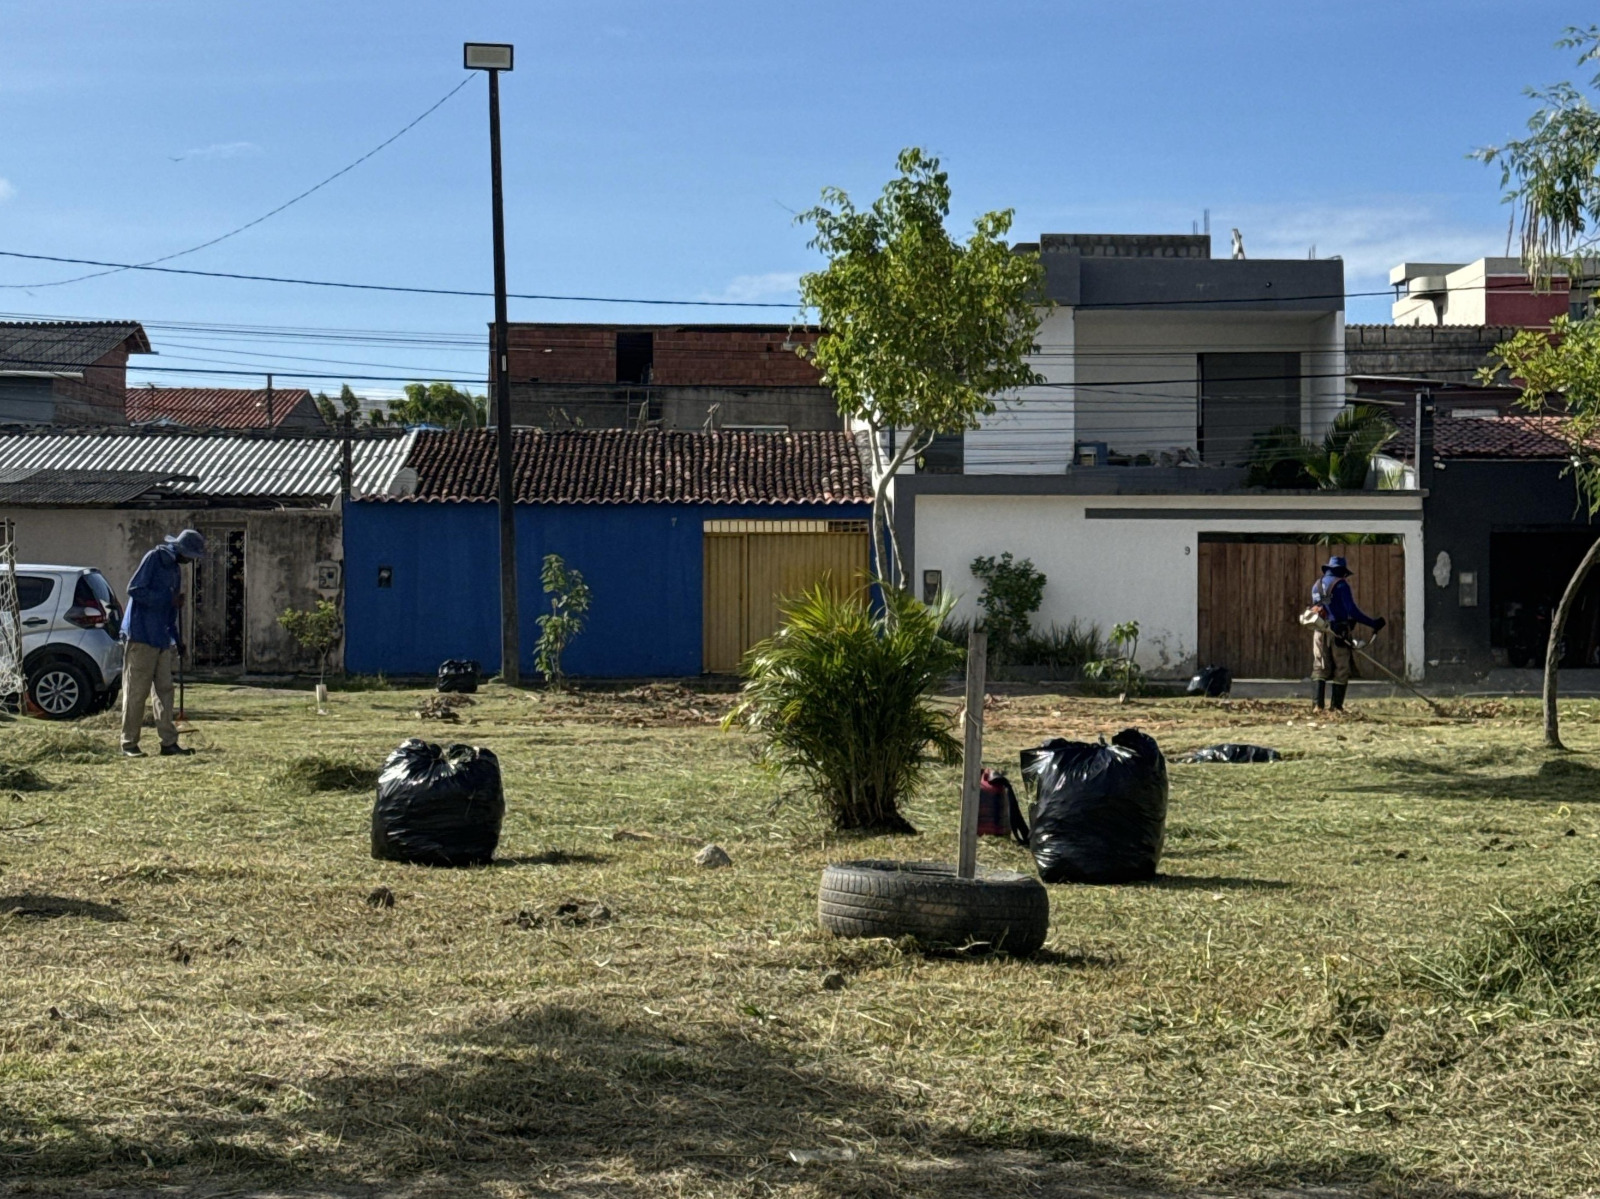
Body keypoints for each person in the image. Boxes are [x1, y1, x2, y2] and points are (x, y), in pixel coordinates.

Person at [121, 529, 205, 757]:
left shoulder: (176, 571)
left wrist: (178, 640)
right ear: (181, 551)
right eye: (190, 556)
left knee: (165, 692)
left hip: (161, 637)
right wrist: (167, 599)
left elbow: (170, 611)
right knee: (137, 693)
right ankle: (129, 743)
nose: (190, 561)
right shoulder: (153, 559)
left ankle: (168, 742)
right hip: (140, 636)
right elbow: (134, 590)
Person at [1309, 554, 1385, 712]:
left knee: (1320, 666)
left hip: (1319, 631)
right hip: (1338, 632)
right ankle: (1336, 707)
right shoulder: (1341, 585)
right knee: (1341, 668)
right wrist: (1373, 623)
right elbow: (1352, 611)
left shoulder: (1316, 585)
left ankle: (1317, 706)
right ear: (1342, 571)